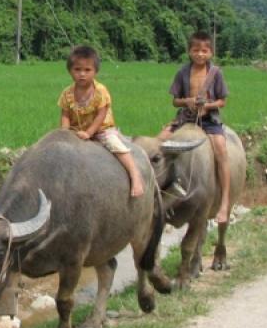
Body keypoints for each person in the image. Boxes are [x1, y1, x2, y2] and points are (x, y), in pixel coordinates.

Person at [158, 31, 231, 224]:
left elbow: (222, 101)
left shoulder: (216, 73)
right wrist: (188, 101)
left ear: (211, 53)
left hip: (209, 120)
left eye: (204, 51)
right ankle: (159, 193)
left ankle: (224, 202)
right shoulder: (183, 72)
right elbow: (175, 101)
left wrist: (208, 105)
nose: (200, 54)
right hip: (186, 118)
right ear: (189, 51)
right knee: (159, 142)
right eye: (196, 50)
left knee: (221, 150)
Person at [58, 46, 144, 197]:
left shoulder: (100, 91)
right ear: (70, 71)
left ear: (95, 71)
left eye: (87, 70)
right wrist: (65, 133)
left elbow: (101, 115)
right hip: (76, 130)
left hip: (101, 129)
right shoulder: (67, 93)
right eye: (77, 69)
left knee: (115, 145)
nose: (82, 74)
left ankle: (135, 175)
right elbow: (65, 115)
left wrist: (89, 133)